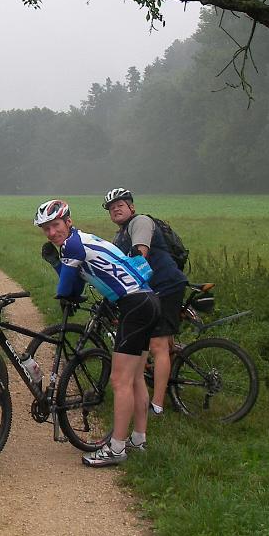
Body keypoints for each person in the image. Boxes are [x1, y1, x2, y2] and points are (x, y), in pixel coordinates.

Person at [35, 199, 160, 466]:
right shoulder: (80, 240)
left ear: (68, 222)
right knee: (136, 378)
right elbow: (76, 284)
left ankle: (116, 448)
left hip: (134, 305)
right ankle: (139, 440)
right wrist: (60, 269)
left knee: (120, 380)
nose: (51, 233)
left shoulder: (72, 245)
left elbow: (67, 288)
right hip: (147, 301)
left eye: (55, 225)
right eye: (46, 229)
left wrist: (62, 289)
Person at [103, 187, 188, 416]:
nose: (115, 209)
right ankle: (166, 382)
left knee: (158, 345)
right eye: (111, 208)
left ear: (131, 207)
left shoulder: (139, 222)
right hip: (151, 290)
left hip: (166, 286)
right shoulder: (119, 235)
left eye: (120, 205)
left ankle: (157, 406)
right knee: (159, 344)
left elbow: (140, 257)